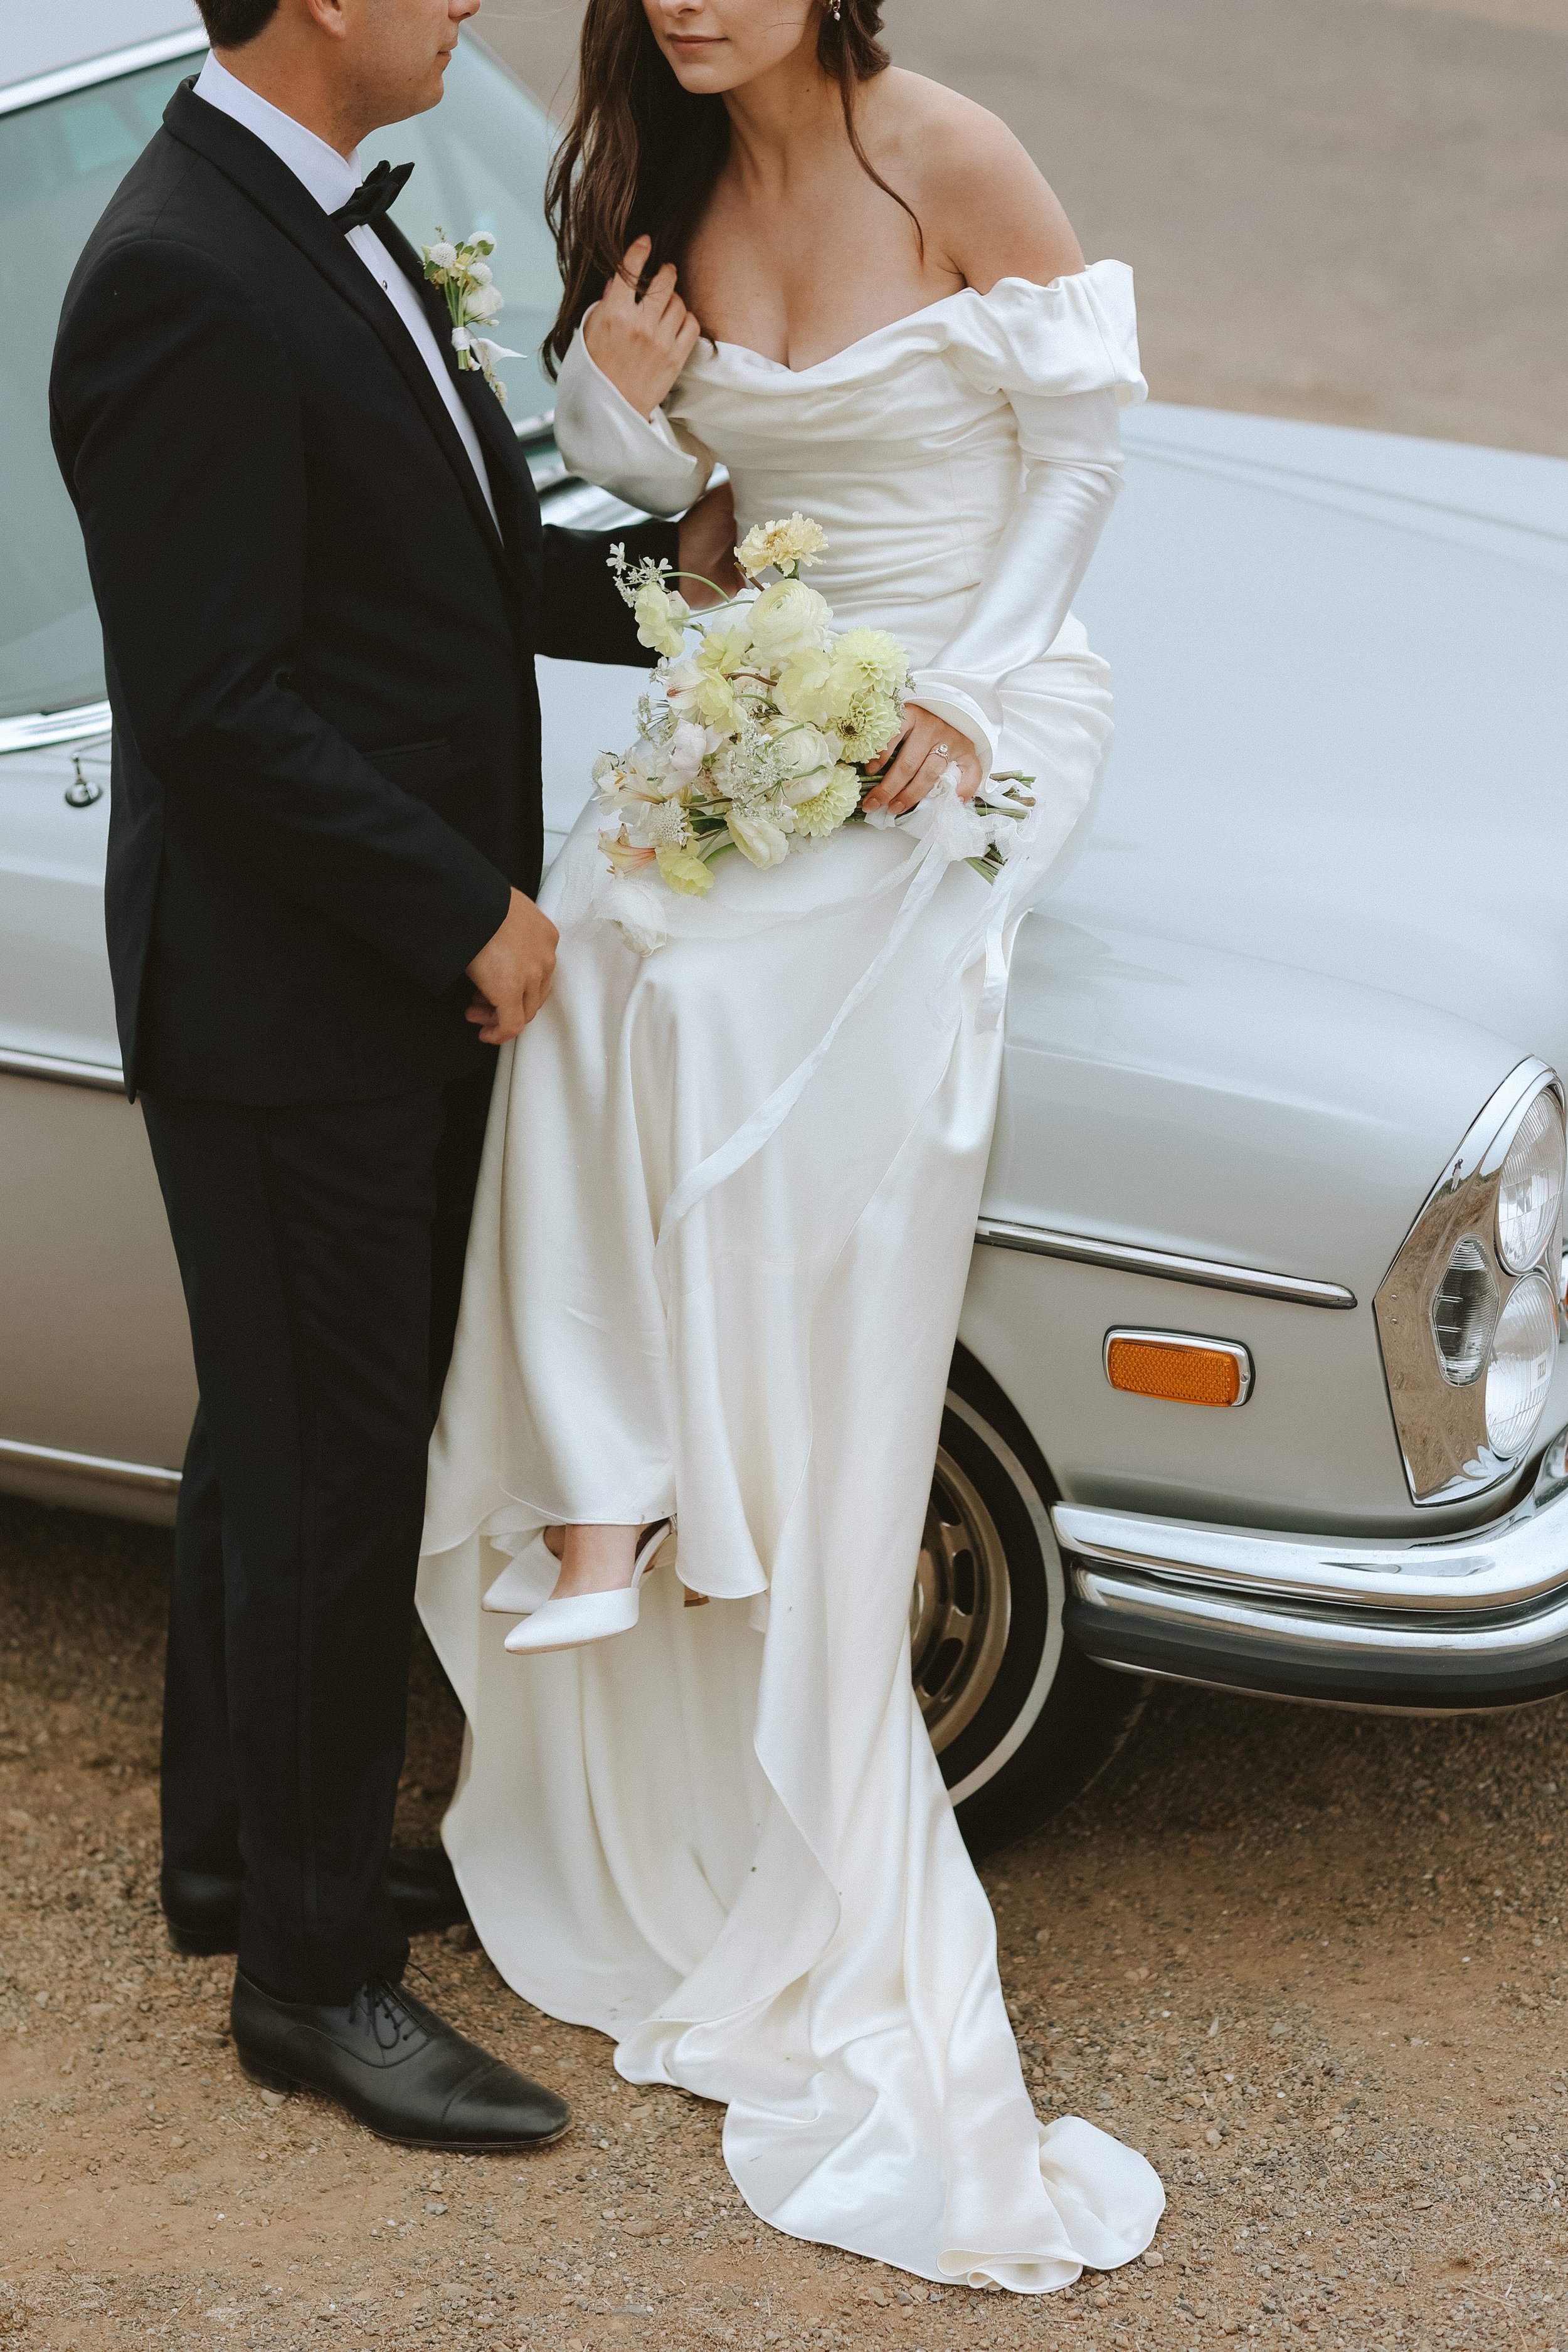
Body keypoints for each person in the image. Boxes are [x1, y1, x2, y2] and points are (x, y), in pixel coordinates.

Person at [418, 0, 1165, 2286]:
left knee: (729, 985)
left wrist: (952, 691)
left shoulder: (943, 146)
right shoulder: (647, 176)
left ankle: (750, 1500)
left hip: (977, 701)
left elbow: (1085, 458)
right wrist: (615, 416)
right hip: (779, 683)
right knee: (591, 970)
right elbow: (699, 525)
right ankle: (613, 1500)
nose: (693, 0)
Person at [49, 0, 733, 2150]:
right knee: (332, 1467)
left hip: (348, 980)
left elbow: (428, 564)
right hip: (291, 997)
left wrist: (674, 586)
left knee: (275, 1440)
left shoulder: (335, 216)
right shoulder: (179, 275)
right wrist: (469, 913)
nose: (465, 4)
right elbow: (215, 700)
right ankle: (313, 1985)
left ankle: (243, 1858)